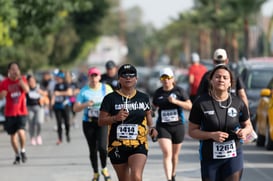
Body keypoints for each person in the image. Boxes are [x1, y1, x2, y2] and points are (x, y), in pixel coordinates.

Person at [188, 65, 253, 181]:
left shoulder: (238, 103)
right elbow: (192, 131)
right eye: (217, 77)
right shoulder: (201, 103)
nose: (221, 80)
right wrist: (211, 135)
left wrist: (244, 132)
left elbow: (248, 126)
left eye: (225, 77)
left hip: (233, 155)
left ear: (230, 83)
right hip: (209, 156)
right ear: (211, 81)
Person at [98, 64, 157, 181]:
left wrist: (152, 127)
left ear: (136, 79)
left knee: (136, 176)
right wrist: (115, 118)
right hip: (117, 146)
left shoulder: (143, 97)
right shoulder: (110, 98)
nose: (128, 78)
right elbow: (100, 121)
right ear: (119, 78)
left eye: (131, 75)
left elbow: (148, 114)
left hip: (138, 144)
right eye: (124, 75)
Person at [73, 67, 113, 181]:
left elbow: (114, 102)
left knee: (103, 148)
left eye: (96, 75)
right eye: (92, 75)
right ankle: (95, 173)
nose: (94, 78)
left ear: (100, 77)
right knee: (93, 149)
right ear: (89, 77)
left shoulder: (106, 89)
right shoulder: (84, 91)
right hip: (89, 123)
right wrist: (85, 104)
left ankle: (104, 168)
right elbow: (75, 108)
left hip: (102, 122)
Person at [152, 67, 192, 181]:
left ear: (172, 78)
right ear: (160, 79)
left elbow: (190, 106)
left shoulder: (179, 91)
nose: (166, 80)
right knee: (167, 153)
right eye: (163, 78)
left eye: (168, 78)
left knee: (174, 156)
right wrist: (150, 112)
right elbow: (153, 108)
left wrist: (175, 102)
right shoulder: (158, 93)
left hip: (178, 126)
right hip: (163, 127)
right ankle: (169, 179)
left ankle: (173, 174)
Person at [0, 62, 30, 164]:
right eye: (13, 69)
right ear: (9, 71)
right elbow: (1, 96)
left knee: (21, 132)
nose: (15, 71)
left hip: (21, 111)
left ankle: (23, 150)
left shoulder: (22, 80)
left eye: (16, 69)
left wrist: (19, 79)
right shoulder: (4, 82)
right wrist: (2, 94)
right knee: (13, 136)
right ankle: (17, 155)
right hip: (9, 113)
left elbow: (26, 90)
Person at [51, 71, 72, 145]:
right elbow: (54, 94)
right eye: (56, 77)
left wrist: (59, 93)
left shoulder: (66, 84)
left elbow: (70, 93)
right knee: (59, 123)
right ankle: (59, 138)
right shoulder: (56, 85)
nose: (57, 79)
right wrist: (52, 102)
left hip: (65, 105)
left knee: (67, 122)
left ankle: (67, 133)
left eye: (58, 78)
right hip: (57, 106)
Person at [26, 75, 48, 146]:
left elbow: (46, 93)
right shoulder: (27, 89)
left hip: (39, 107)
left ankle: (38, 135)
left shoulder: (39, 87)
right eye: (30, 81)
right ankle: (32, 137)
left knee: (39, 122)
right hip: (30, 107)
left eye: (33, 80)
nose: (31, 82)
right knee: (31, 123)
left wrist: (40, 92)